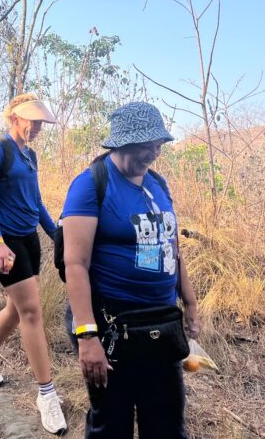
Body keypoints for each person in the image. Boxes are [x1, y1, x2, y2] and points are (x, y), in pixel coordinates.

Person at [61, 102, 201, 439]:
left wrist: (190, 303)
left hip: (160, 321)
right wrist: (87, 337)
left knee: (166, 423)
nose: (154, 152)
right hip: (112, 324)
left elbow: (172, 247)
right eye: (147, 144)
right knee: (112, 423)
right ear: (123, 142)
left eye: (159, 144)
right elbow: (75, 264)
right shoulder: (91, 185)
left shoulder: (158, 184)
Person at [0, 93, 67, 435]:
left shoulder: (31, 155)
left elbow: (36, 204)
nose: (37, 127)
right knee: (32, 313)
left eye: (40, 122)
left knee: (14, 309)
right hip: (5, 242)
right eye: (32, 121)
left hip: (28, 240)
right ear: (16, 118)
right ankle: (46, 393)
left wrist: (58, 239)